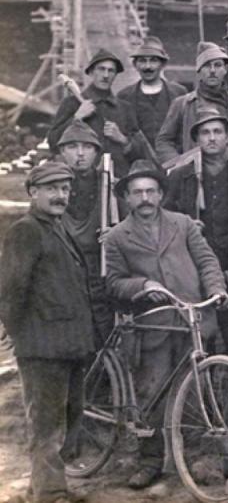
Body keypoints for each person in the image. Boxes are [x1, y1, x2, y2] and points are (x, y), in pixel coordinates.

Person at [103, 160, 228, 489]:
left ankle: (197, 459)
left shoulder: (183, 224)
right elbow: (114, 283)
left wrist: (216, 289)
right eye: (137, 193)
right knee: (152, 393)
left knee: (196, 390)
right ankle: (150, 461)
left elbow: (206, 260)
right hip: (153, 327)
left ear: (160, 194)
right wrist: (143, 285)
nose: (145, 198)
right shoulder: (116, 237)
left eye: (150, 191)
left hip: (191, 320)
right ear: (127, 198)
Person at [0, 162, 94, 503]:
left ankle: (42, 488)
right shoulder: (25, 231)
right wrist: (16, 332)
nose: (60, 196)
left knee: (65, 420)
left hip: (69, 344)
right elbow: (12, 288)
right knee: (47, 425)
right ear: (33, 192)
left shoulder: (57, 228)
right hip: (42, 347)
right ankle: (50, 495)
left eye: (65, 189)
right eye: (52, 189)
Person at [164, 108, 228, 353]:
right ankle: (205, 373)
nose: (212, 138)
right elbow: (165, 216)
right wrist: (184, 224)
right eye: (205, 133)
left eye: (217, 132)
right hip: (194, 262)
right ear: (197, 139)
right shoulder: (181, 175)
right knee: (200, 330)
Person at [156, 41, 228, 172]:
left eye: (217, 65)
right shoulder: (183, 104)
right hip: (195, 176)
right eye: (206, 66)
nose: (212, 71)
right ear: (199, 70)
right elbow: (164, 141)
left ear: (225, 69)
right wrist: (180, 166)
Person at [56, 120, 114, 344]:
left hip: (100, 271)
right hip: (64, 273)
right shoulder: (52, 188)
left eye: (87, 147)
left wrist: (115, 235)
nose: (80, 153)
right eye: (72, 147)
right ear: (62, 151)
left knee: (104, 335)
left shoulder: (109, 185)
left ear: (96, 153)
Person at [48, 48, 142, 176]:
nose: (106, 75)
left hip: (118, 178)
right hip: (82, 179)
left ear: (115, 75)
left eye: (111, 71)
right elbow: (53, 143)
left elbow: (140, 154)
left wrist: (122, 139)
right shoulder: (72, 104)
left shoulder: (125, 108)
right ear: (91, 72)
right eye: (101, 69)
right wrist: (77, 118)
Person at [118, 36, 187, 148]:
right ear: (135, 65)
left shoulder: (179, 93)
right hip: (137, 158)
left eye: (153, 60)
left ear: (163, 64)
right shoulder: (124, 97)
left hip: (172, 157)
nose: (148, 66)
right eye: (142, 61)